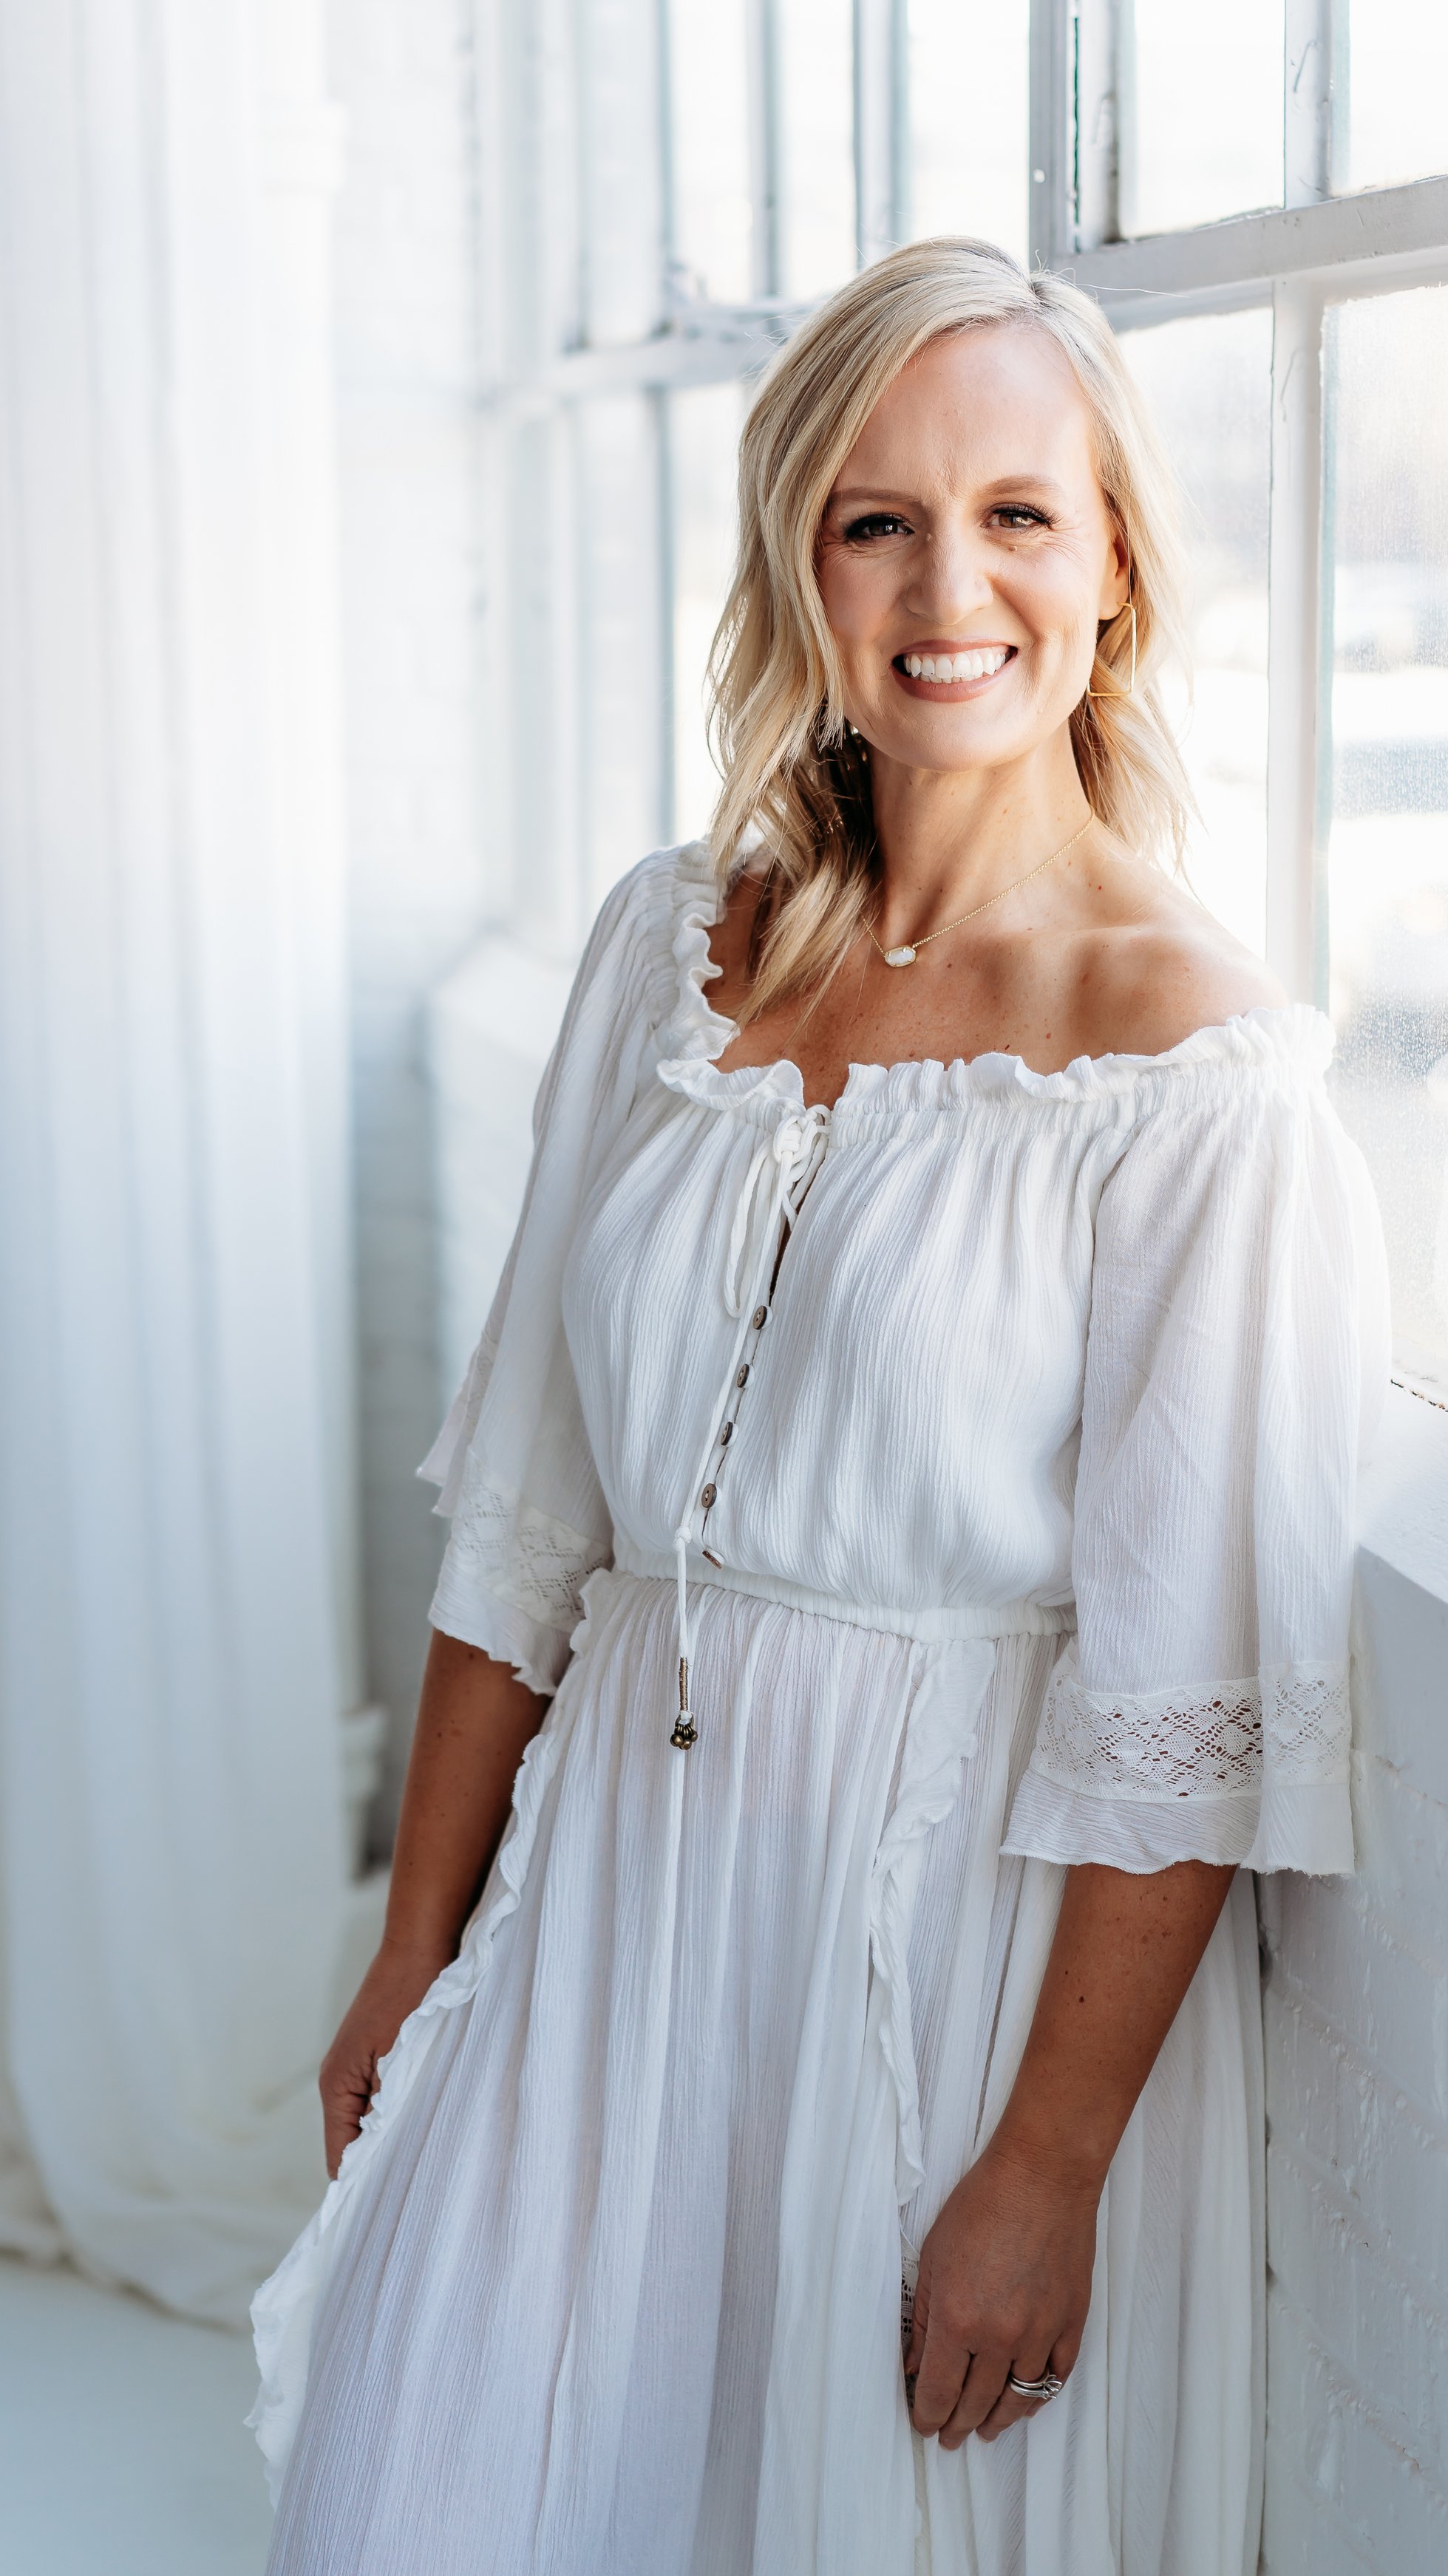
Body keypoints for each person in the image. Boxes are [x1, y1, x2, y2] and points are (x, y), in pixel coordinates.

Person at [251, 236, 1386, 2576]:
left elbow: (1187, 1699)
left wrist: (1045, 2169)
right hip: (596, 1904)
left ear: (1113, 571)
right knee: (438, 2494)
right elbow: (528, 1515)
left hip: (936, 1949)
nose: (943, 583)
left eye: (1014, 516)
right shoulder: (674, 945)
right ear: (797, 559)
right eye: (875, 519)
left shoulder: (1194, 1074)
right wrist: (410, 1950)